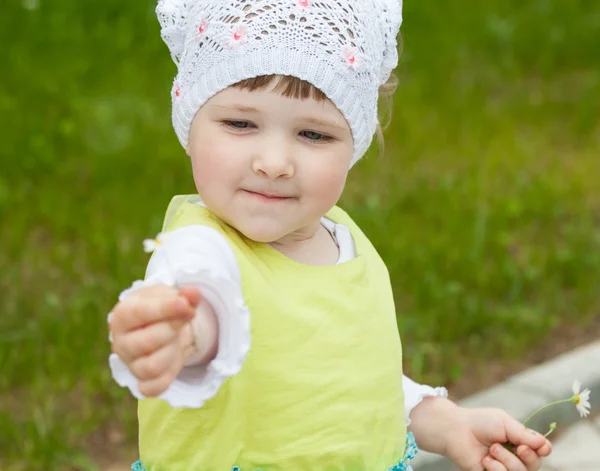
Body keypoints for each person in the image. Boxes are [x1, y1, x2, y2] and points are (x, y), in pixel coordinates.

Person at [108, 1, 553, 470]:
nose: (275, 162)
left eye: (314, 135)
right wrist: (177, 336)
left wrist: (445, 423)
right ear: (188, 125)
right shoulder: (199, 248)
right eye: (240, 124)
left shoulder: (346, 243)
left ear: (355, 142)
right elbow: (207, 316)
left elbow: (349, 378)